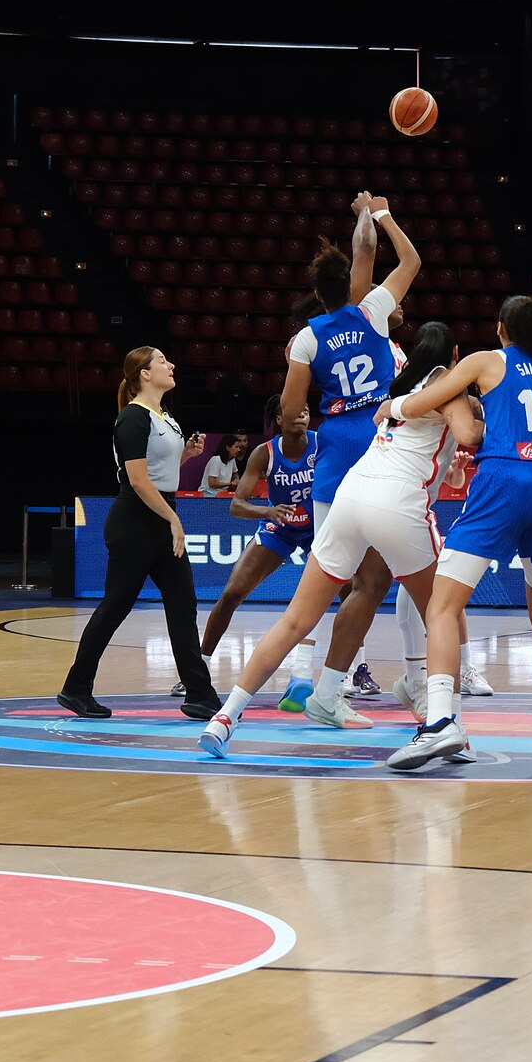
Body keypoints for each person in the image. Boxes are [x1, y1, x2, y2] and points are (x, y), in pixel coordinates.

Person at [198, 321, 483, 757]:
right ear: (456, 353)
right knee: (442, 613)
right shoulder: (447, 385)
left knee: (297, 618)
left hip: (349, 494)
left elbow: (383, 414)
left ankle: (225, 717)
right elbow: (468, 435)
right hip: (398, 503)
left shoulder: (400, 383)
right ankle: (447, 723)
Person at [383, 296, 532, 772]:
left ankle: (441, 720)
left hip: (502, 480)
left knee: (443, 604)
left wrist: (392, 406)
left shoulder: (486, 361)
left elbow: (425, 402)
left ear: (503, 328)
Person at [278, 192, 421, 700]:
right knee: (378, 575)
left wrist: (300, 427)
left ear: (316, 293)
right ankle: (416, 675)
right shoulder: (375, 310)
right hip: (380, 438)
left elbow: (289, 415)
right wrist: (375, 213)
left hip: (336, 443)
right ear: (351, 286)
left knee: (325, 570)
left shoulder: (306, 339)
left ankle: (301, 672)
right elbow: (401, 259)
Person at [61, 346, 217, 721]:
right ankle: (76, 689)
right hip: (135, 522)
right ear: (144, 374)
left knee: (183, 605)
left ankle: (200, 695)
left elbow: (161, 471)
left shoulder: (166, 416)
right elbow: (137, 480)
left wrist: (187, 457)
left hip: (158, 516)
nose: (171, 364)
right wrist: (174, 521)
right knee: (116, 605)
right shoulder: (132, 417)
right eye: (163, 360)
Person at [198, 398, 320, 712]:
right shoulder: (264, 453)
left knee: (351, 590)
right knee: (232, 593)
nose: (302, 413)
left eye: (307, 409)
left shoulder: (322, 444)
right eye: (296, 410)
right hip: (280, 527)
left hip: (318, 527)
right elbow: (237, 504)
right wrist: (268, 510)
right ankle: (197, 668)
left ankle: (351, 674)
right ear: (279, 419)